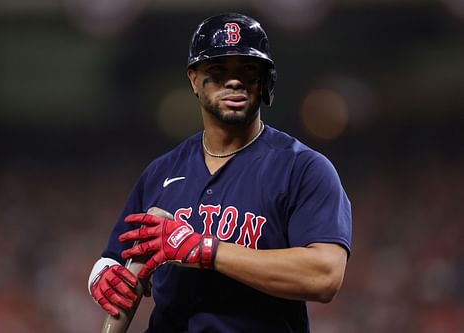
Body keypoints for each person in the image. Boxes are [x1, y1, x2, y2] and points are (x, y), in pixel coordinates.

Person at [88, 12, 352, 333]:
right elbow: (117, 259)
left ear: (265, 81)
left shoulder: (303, 168)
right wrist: (101, 274)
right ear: (194, 80)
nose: (234, 80)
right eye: (217, 70)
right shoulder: (161, 172)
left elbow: (325, 276)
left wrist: (206, 250)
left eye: (247, 70)